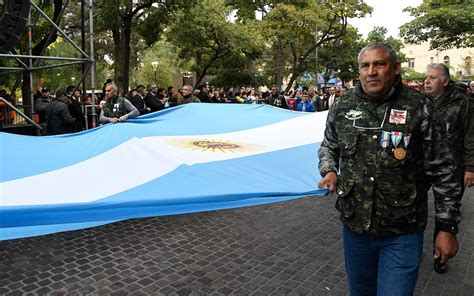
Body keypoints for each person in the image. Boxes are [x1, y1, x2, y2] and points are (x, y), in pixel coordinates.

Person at [317, 43, 460, 295]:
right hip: (356, 229)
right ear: (359, 71)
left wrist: (446, 228)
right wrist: (329, 170)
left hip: (402, 232)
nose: (371, 71)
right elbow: (329, 145)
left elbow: (444, 171)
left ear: (395, 69)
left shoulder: (420, 106)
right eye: (365, 65)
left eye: (379, 64)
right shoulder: (342, 105)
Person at [424, 63, 474, 273]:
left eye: (432, 78)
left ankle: (440, 256)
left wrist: (470, 168)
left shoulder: (464, 103)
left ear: (445, 81)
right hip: (422, 166)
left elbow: (471, 137)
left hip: (451, 169)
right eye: (426, 77)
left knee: (445, 215)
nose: (427, 81)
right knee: (414, 206)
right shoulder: (421, 102)